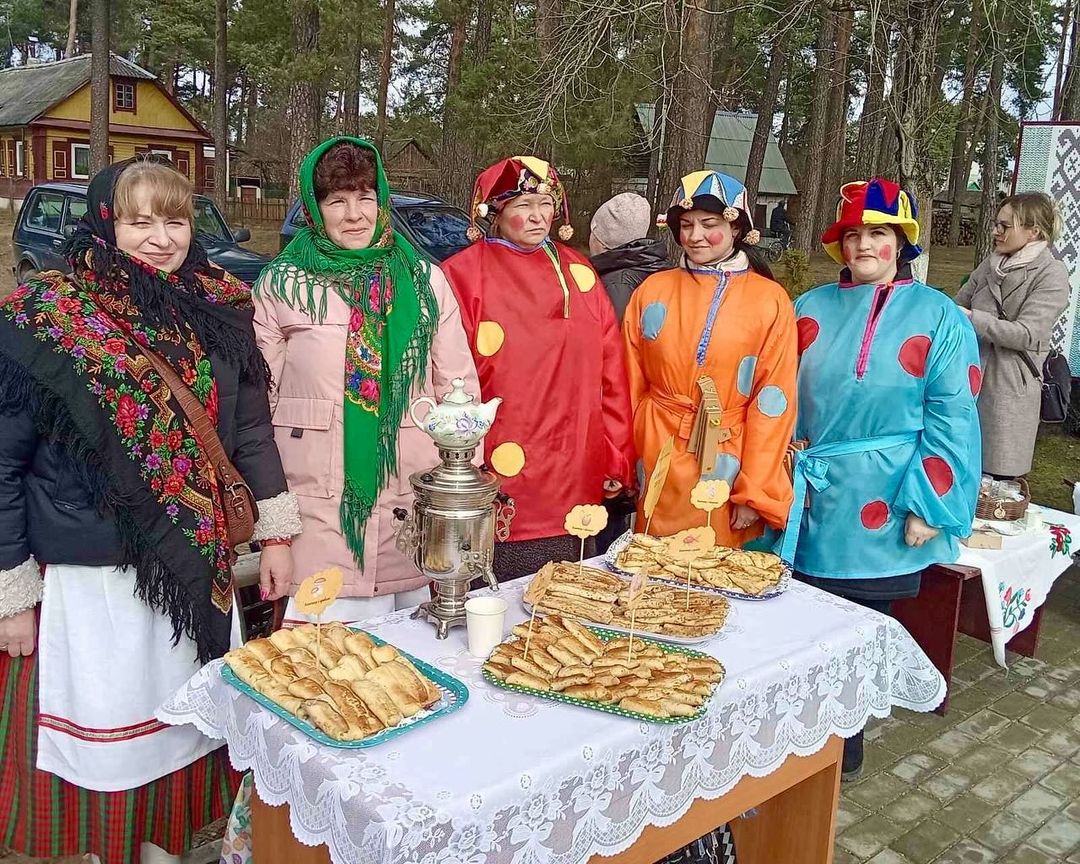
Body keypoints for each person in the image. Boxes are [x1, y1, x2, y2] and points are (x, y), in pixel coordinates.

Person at [0, 157, 300, 864]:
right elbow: (3, 464)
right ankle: (98, 848)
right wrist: (11, 589)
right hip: (92, 577)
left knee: (182, 717)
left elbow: (251, 432)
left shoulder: (223, 307)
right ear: (106, 223)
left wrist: (279, 534)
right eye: (141, 221)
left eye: (175, 220)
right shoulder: (45, 318)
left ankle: (160, 842)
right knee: (103, 723)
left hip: (196, 566)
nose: (161, 238)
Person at [785, 178, 981, 778]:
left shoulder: (940, 316)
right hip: (814, 495)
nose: (863, 245)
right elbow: (776, 392)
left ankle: (843, 749)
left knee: (861, 626)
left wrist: (929, 502)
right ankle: (793, 740)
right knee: (804, 620)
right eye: (853, 235)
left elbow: (955, 415)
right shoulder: (809, 308)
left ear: (903, 243)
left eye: (878, 233)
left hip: (890, 503)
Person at [254, 136, 479, 622]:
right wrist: (270, 517)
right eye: (337, 201)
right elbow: (258, 405)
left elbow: (458, 391)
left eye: (366, 198)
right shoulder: (282, 284)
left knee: (406, 672)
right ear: (316, 209)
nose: (354, 214)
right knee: (318, 674)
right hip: (317, 506)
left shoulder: (425, 282)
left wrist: (463, 487)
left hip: (408, 502)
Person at [442, 156, 635, 580]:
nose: (536, 216)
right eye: (521, 205)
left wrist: (616, 456)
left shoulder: (579, 272)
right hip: (497, 463)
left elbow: (612, 375)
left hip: (574, 465)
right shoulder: (461, 275)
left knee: (568, 598)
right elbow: (446, 378)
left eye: (545, 203)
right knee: (495, 599)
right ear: (493, 213)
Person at [623, 170, 797, 546]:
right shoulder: (652, 291)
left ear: (736, 229)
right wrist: (627, 458)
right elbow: (628, 381)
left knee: (714, 569)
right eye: (686, 225)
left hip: (727, 458)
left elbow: (774, 401)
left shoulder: (770, 300)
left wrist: (755, 487)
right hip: (656, 449)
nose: (695, 236)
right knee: (651, 567)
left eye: (709, 224)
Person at [955, 192, 1069, 478]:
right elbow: (960, 302)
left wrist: (972, 318)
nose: (996, 231)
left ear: (1034, 232)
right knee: (954, 468)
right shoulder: (990, 264)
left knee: (996, 481)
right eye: (996, 224)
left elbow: (1026, 334)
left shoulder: (1051, 275)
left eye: (1005, 226)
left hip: (1009, 388)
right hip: (966, 377)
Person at [588, 191, 670, 322]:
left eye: (593, 232)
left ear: (602, 241)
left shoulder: (615, 285)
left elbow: (614, 338)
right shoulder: (657, 268)